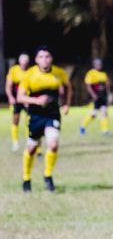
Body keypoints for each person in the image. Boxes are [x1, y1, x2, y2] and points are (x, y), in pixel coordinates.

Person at [17, 46, 72, 192]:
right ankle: (26, 178)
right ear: (36, 59)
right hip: (35, 115)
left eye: (47, 56)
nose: (44, 60)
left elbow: (68, 87)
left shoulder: (59, 73)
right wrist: (36, 101)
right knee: (31, 149)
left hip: (52, 114)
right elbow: (20, 97)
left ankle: (48, 176)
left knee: (53, 145)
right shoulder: (29, 75)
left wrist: (66, 103)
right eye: (41, 57)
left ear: (51, 58)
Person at [80, 58, 111, 136]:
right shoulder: (91, 73)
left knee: (104, 112)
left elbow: (107, 84)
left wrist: (108, 94)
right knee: (93, 114)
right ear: (94, 65)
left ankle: (105, 130)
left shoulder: (103, 73)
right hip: (95, 97)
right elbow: (88, 85)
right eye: (98, 64)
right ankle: (82, 127)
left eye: (100, 64)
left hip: (102, 96)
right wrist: (93, 95)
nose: (99, 66)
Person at [5, 52, 30, 151]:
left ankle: (29, 141)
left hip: (27, 99)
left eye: (26, 61)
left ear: (28, 62)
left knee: (29, 121)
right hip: (16, 99)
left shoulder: (31, 71)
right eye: (22, 61)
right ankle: (15, 142)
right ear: (19, 61)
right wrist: (10, 97)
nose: (24, 63)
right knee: (15, 119)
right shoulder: (14, 70)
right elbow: (8, 86)